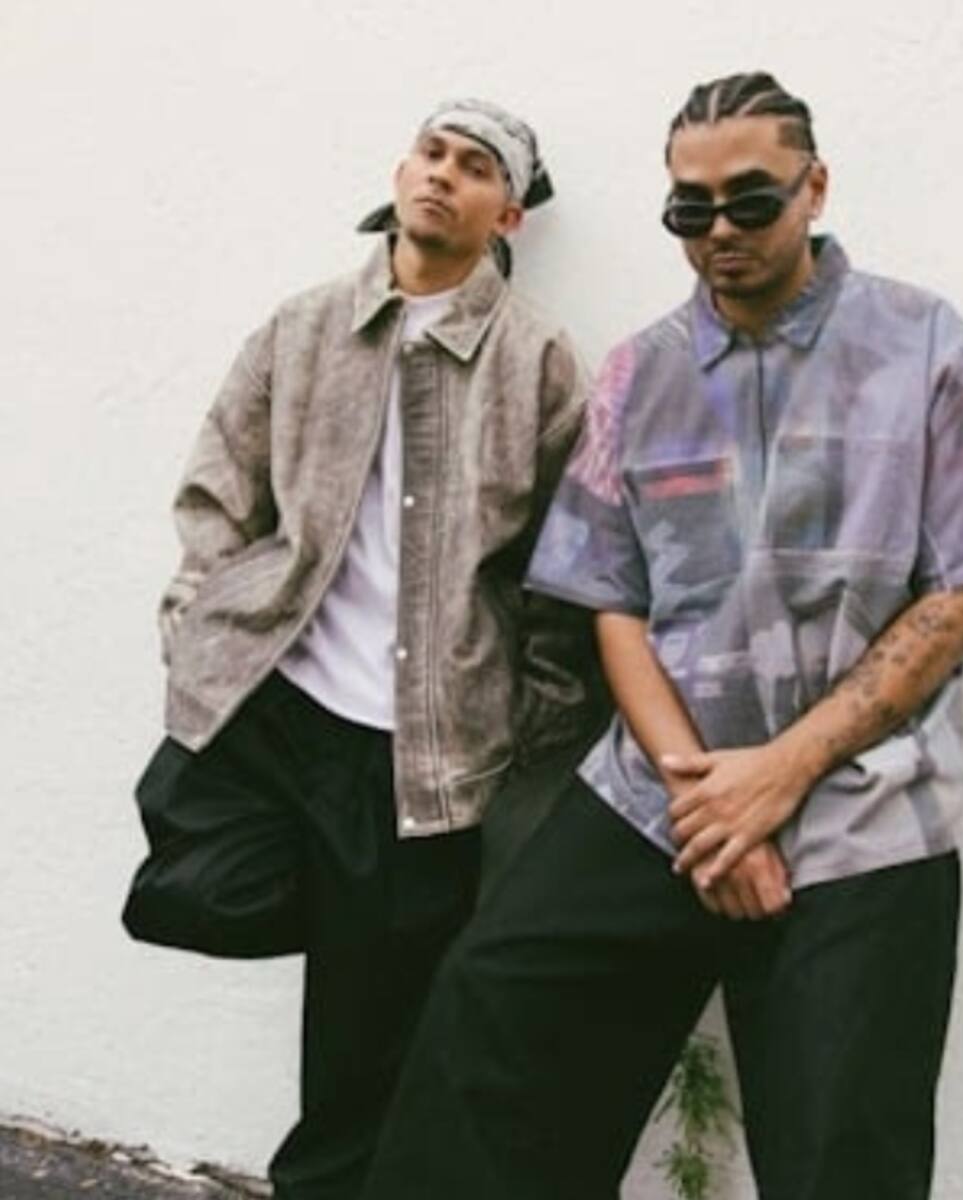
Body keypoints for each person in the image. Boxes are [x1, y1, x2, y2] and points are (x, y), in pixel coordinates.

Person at [358, 72, 963, 1200]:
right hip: (663, 796)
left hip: (863, 812)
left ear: (813, 187)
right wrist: (709, 802)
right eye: (691, 209)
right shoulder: (638, 374)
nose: (721, 230)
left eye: (751, 200)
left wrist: (776, 779)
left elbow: (958, 601)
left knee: (844, 1152)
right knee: (489, 1029)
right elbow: (613, 602)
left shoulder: (927, 347)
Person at [120, 98, 599, 1200]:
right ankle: (361, 936)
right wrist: (196, 625)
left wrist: (530, 711)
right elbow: (219, 489)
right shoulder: (303, 327)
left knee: (358, 1052)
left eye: (474, 167)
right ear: (400, 170)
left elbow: (572, 559)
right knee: (183, 888)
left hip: (416, 754)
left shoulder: (536, 362)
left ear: (508, 215)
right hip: (277, 707)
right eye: (431, 153)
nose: (443, 175)